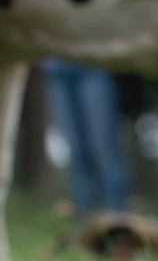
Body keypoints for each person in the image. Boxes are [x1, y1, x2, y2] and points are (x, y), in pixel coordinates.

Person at [42, 59, 132, 213]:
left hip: (93, 65)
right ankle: (85, 219)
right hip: (56, 70)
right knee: (75, 151)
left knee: (104, 148)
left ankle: (117, 217)